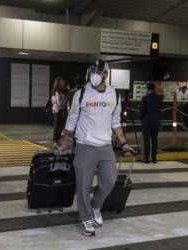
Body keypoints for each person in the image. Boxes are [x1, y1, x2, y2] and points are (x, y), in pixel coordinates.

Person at [57, 60, 135, 237]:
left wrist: (123, 143)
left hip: (105, 146)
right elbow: (72, 119)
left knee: (109, 180)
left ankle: (96, 206)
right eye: (93, 71)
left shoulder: (114, 95)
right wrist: (64, 141)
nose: (95, 74)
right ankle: (85, 218)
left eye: (99, 71)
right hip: (85, 145)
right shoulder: (82, 93)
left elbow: (115, 122)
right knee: (83, 185)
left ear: (106, 75)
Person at [141, 82, 162, 163]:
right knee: (154, 141)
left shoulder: (145, 98)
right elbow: (159, 110)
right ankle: (154, 158)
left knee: (146, 141)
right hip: (156, 122)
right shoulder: (159, 98)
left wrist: (141, 118)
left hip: (146, 122)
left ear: (147, 89)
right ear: (154, 89)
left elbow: (142, 111)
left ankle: (146, 159)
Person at [51, 77, 69, 145]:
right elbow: (56, 101)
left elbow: (65, 98)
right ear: (58, 82)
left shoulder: (63, 90)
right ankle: (54, 140)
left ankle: (58, 138)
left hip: (62, 109)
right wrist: (62, 103)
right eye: (61, 81)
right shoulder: (55, 90)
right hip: (56, 109)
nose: (63, 82)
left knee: (62, 125)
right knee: (57, 125)